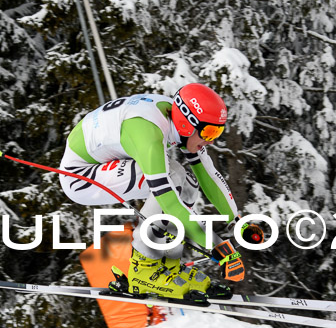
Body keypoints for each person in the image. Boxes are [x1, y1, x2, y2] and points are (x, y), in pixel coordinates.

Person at [59, 83, 246, 305]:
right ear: (188, 124)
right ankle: (143, 268)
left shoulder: (176, 118)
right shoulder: (148, 133)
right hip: (79, 177)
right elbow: (167, 200)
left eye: (218, 132)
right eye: (209, 132)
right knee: (172, 178)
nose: (212, 140)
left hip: (105, 162)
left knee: (186, 181)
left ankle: (168, 266)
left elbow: (208, 174)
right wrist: (218, 247)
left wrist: (236, 220)